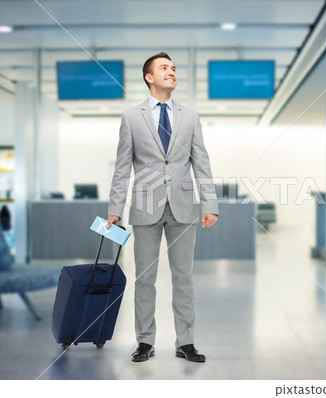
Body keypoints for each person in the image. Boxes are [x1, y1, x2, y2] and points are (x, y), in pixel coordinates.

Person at [107, 52, 218, 363]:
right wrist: (115, 208)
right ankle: (145, 341)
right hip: (145, 207)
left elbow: (202, 164)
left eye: (173, 68)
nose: (171, 72)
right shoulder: (131, 117)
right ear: (149, 77)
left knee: (184, 278)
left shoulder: (191, 116)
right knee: (145, 278)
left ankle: (186, 343)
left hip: (183, 207)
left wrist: (210, 203)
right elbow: (122, 167)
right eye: (164, 68)